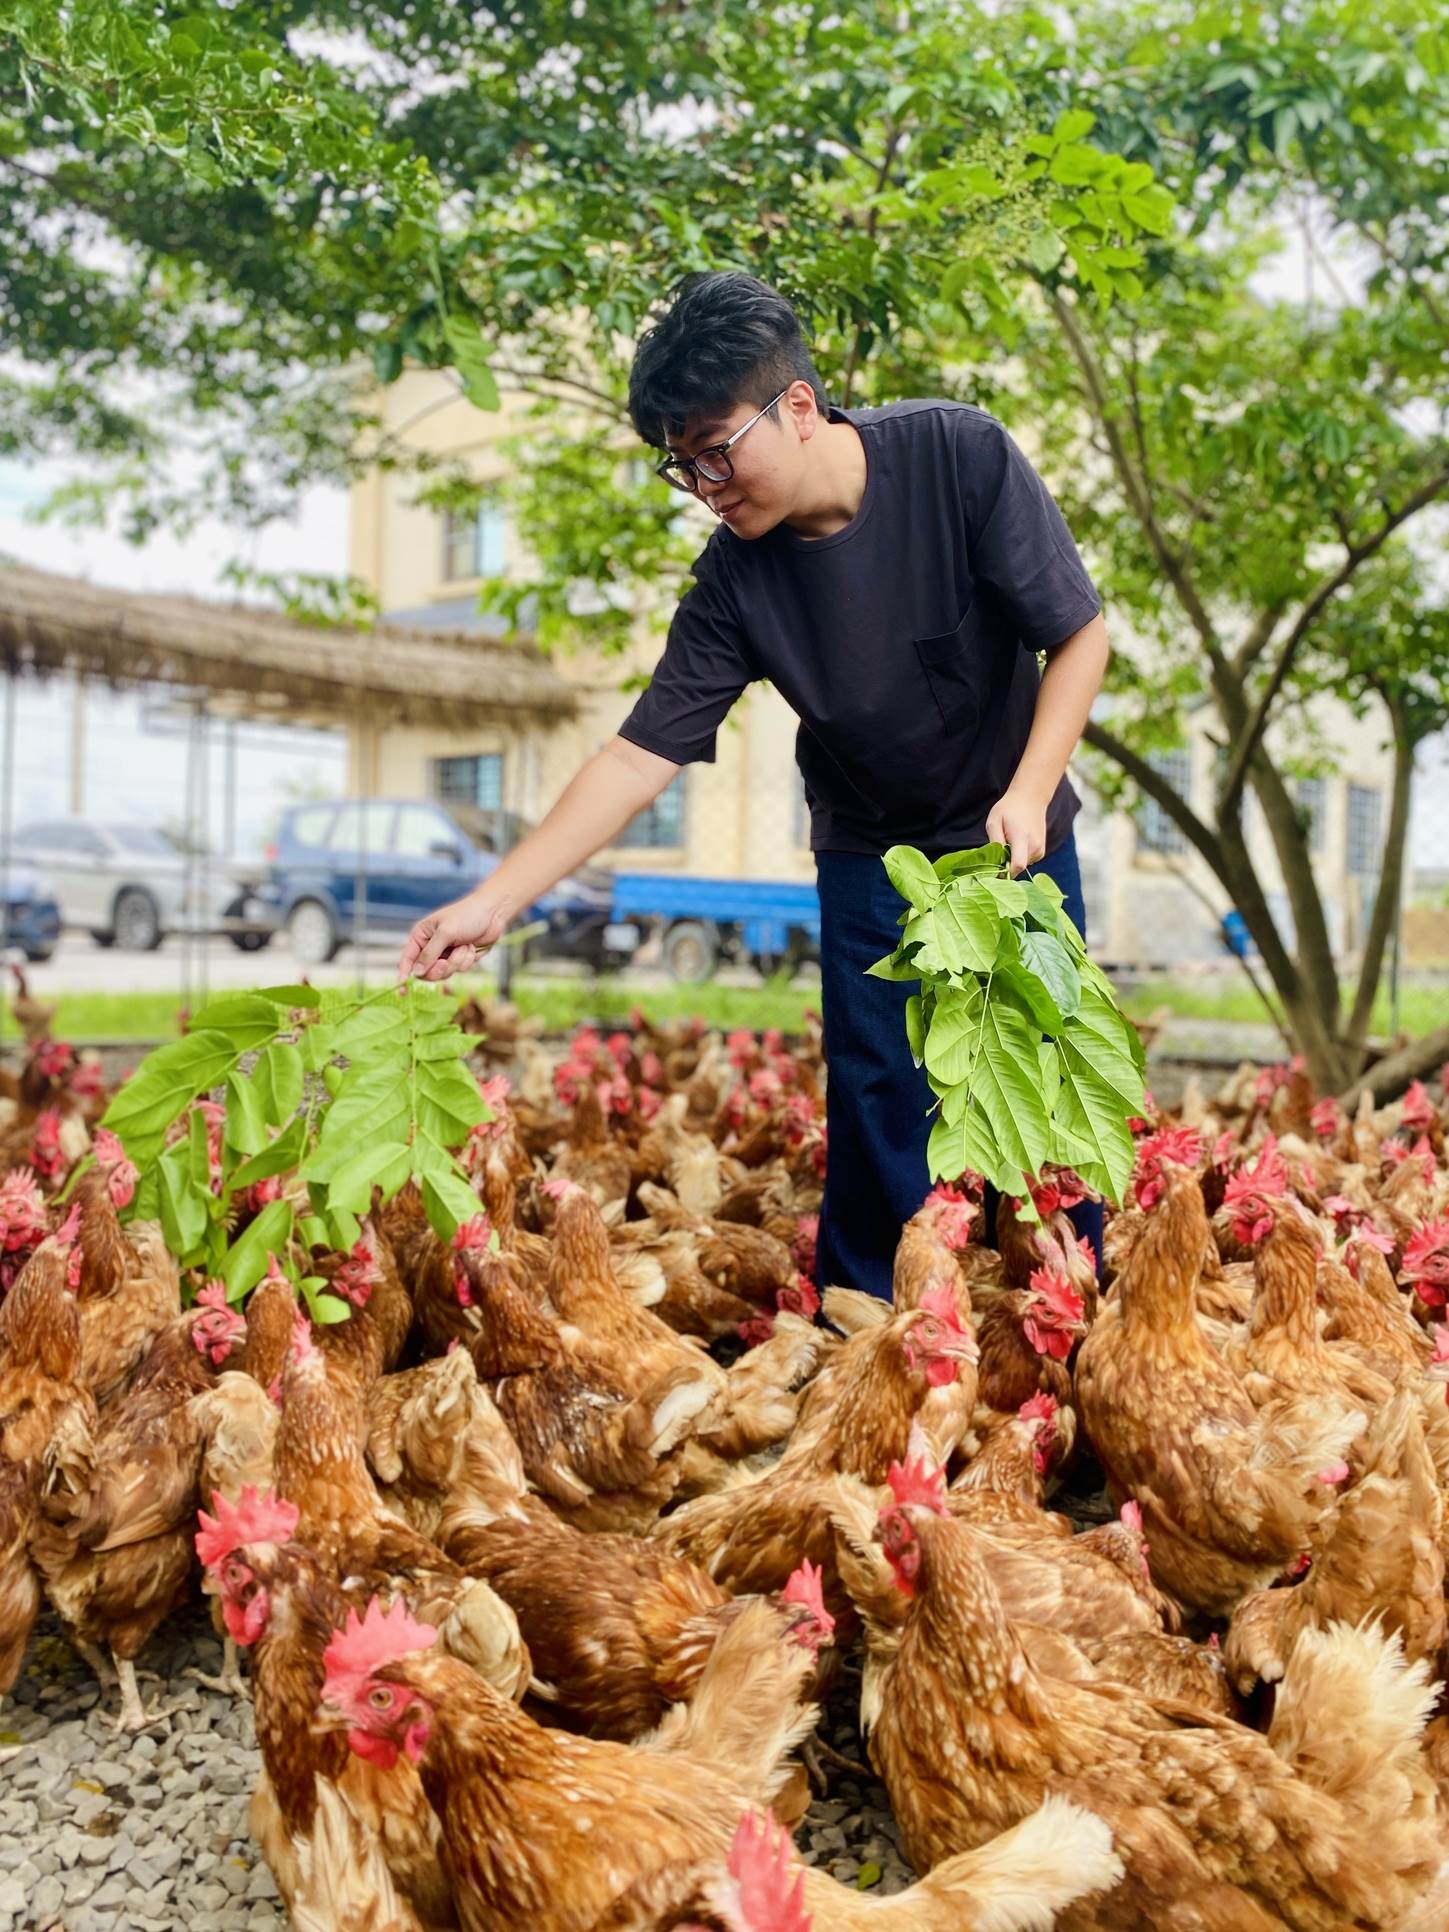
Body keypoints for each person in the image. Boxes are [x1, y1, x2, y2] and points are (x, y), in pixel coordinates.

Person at [398, 270, 1110, 1301]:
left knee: (1045, 1070)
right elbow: (639, 755)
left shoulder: (959, 455)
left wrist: (1033, 787)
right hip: (873, 853)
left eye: (718, 451)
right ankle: (873, 1323)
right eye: (683, 468)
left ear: (802, 406)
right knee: (881, 1093)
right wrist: (493, 900)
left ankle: (1070, 1307)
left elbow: (1077, 633)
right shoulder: (735, 579)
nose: (707, 486)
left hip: (1020, 835)